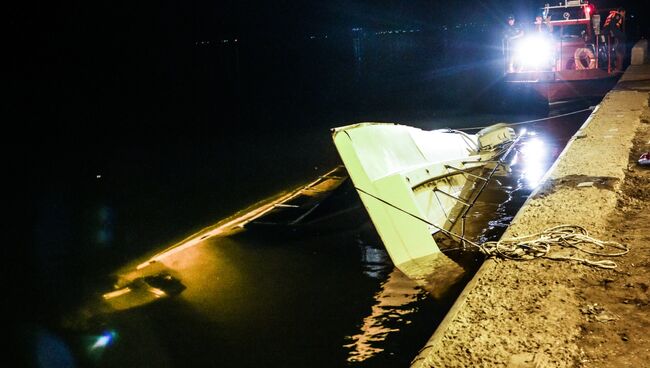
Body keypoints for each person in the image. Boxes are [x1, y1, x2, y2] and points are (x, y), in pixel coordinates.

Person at [603, 7, 626, 71]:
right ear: (622, 12)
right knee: (618, 48)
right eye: (624, 13)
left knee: (612, 50)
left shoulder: (612, 14)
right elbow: (613, 25)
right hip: (609, 33)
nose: (624, 15)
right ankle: (617, 66)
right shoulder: (618, 15)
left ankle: (613, 65)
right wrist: (618, 35)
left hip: (605, 32)